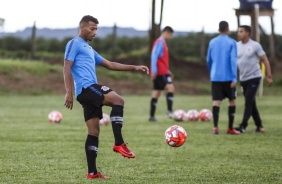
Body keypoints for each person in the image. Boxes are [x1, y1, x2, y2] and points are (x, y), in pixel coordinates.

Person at [63, 15, 149, 179]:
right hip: (87, 88)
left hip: (88, 92)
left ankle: (92, 172)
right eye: (92, 28)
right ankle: (119, 143)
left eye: (96, 29)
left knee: (94, 131)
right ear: (82, 27)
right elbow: (67, 67)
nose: (95, 32)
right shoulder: (74, 43)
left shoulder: (89, 49)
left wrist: (135, 67)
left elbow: (110, 65)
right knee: (118, 100)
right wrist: (69, 92)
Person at [235, 25, 273, 133]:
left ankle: (243, 126)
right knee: (251, 102)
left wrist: (269, 76)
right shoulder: (236, 46)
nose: (239, 33)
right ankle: (260, 126)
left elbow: (265, 60)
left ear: (247, 33)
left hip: (254, 77)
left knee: (248, 101)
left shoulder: (255, 45)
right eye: (238, 31)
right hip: (243, 79)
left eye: (241, 31)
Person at [206, 21, 240, 135]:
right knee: (232, 101)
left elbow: (208, 60)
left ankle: (215, 128)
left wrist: (212, 71)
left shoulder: (212, 42)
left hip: (215, 76)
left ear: (218, 29)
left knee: (216, 101)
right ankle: (230, 128)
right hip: (229, 77)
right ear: (228, 29)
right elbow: (233, 60)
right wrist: (235, 77)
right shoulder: (232, 42)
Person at [149, 26, 175, 122]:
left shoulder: (162, 43)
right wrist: (154, 71)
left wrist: (168, 71)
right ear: (166, 32)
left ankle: (151, 116)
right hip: (160, 73)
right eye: (170, 35)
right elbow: (154, 56)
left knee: (156, 92)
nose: (170, 37)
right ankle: (169, 111)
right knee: (171, 88)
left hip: (163, 72)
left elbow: (161, 60)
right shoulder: (160, 42)